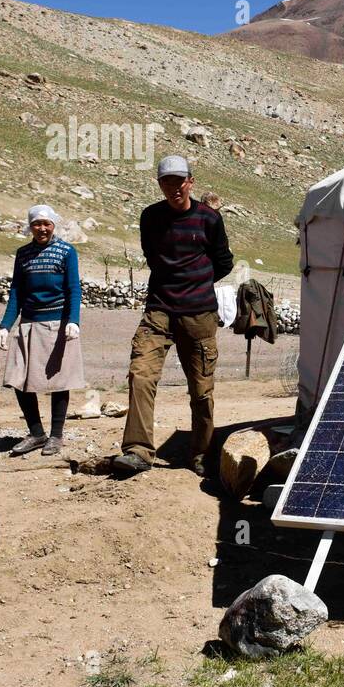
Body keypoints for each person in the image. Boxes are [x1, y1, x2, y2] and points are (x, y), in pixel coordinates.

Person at [113, 156, 233, 478]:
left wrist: (196, 283)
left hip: (199, 315)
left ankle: (201, 454)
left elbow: (224, 262)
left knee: (201, 389)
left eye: (179, 181)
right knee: (140, 374)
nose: (174, 187)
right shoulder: (150, 217)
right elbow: (153, 256)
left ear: (190, 182)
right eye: (167, 181)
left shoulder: (209, 219)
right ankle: (138, 451)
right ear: (159, 184)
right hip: (159, 310)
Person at [0, 204, 83, 456]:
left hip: (58, 324)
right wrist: (5, 325)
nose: (42, 228)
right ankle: (36, 433)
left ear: (54, 225)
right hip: (28, 324)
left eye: (46, 224)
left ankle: (56, 436)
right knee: (18, 379)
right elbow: (16, 292)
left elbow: (73, 289)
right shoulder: (23, 254)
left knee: (59, 380)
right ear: (30, 226)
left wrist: (73, 320)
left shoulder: (67, 252)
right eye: (36, 224)